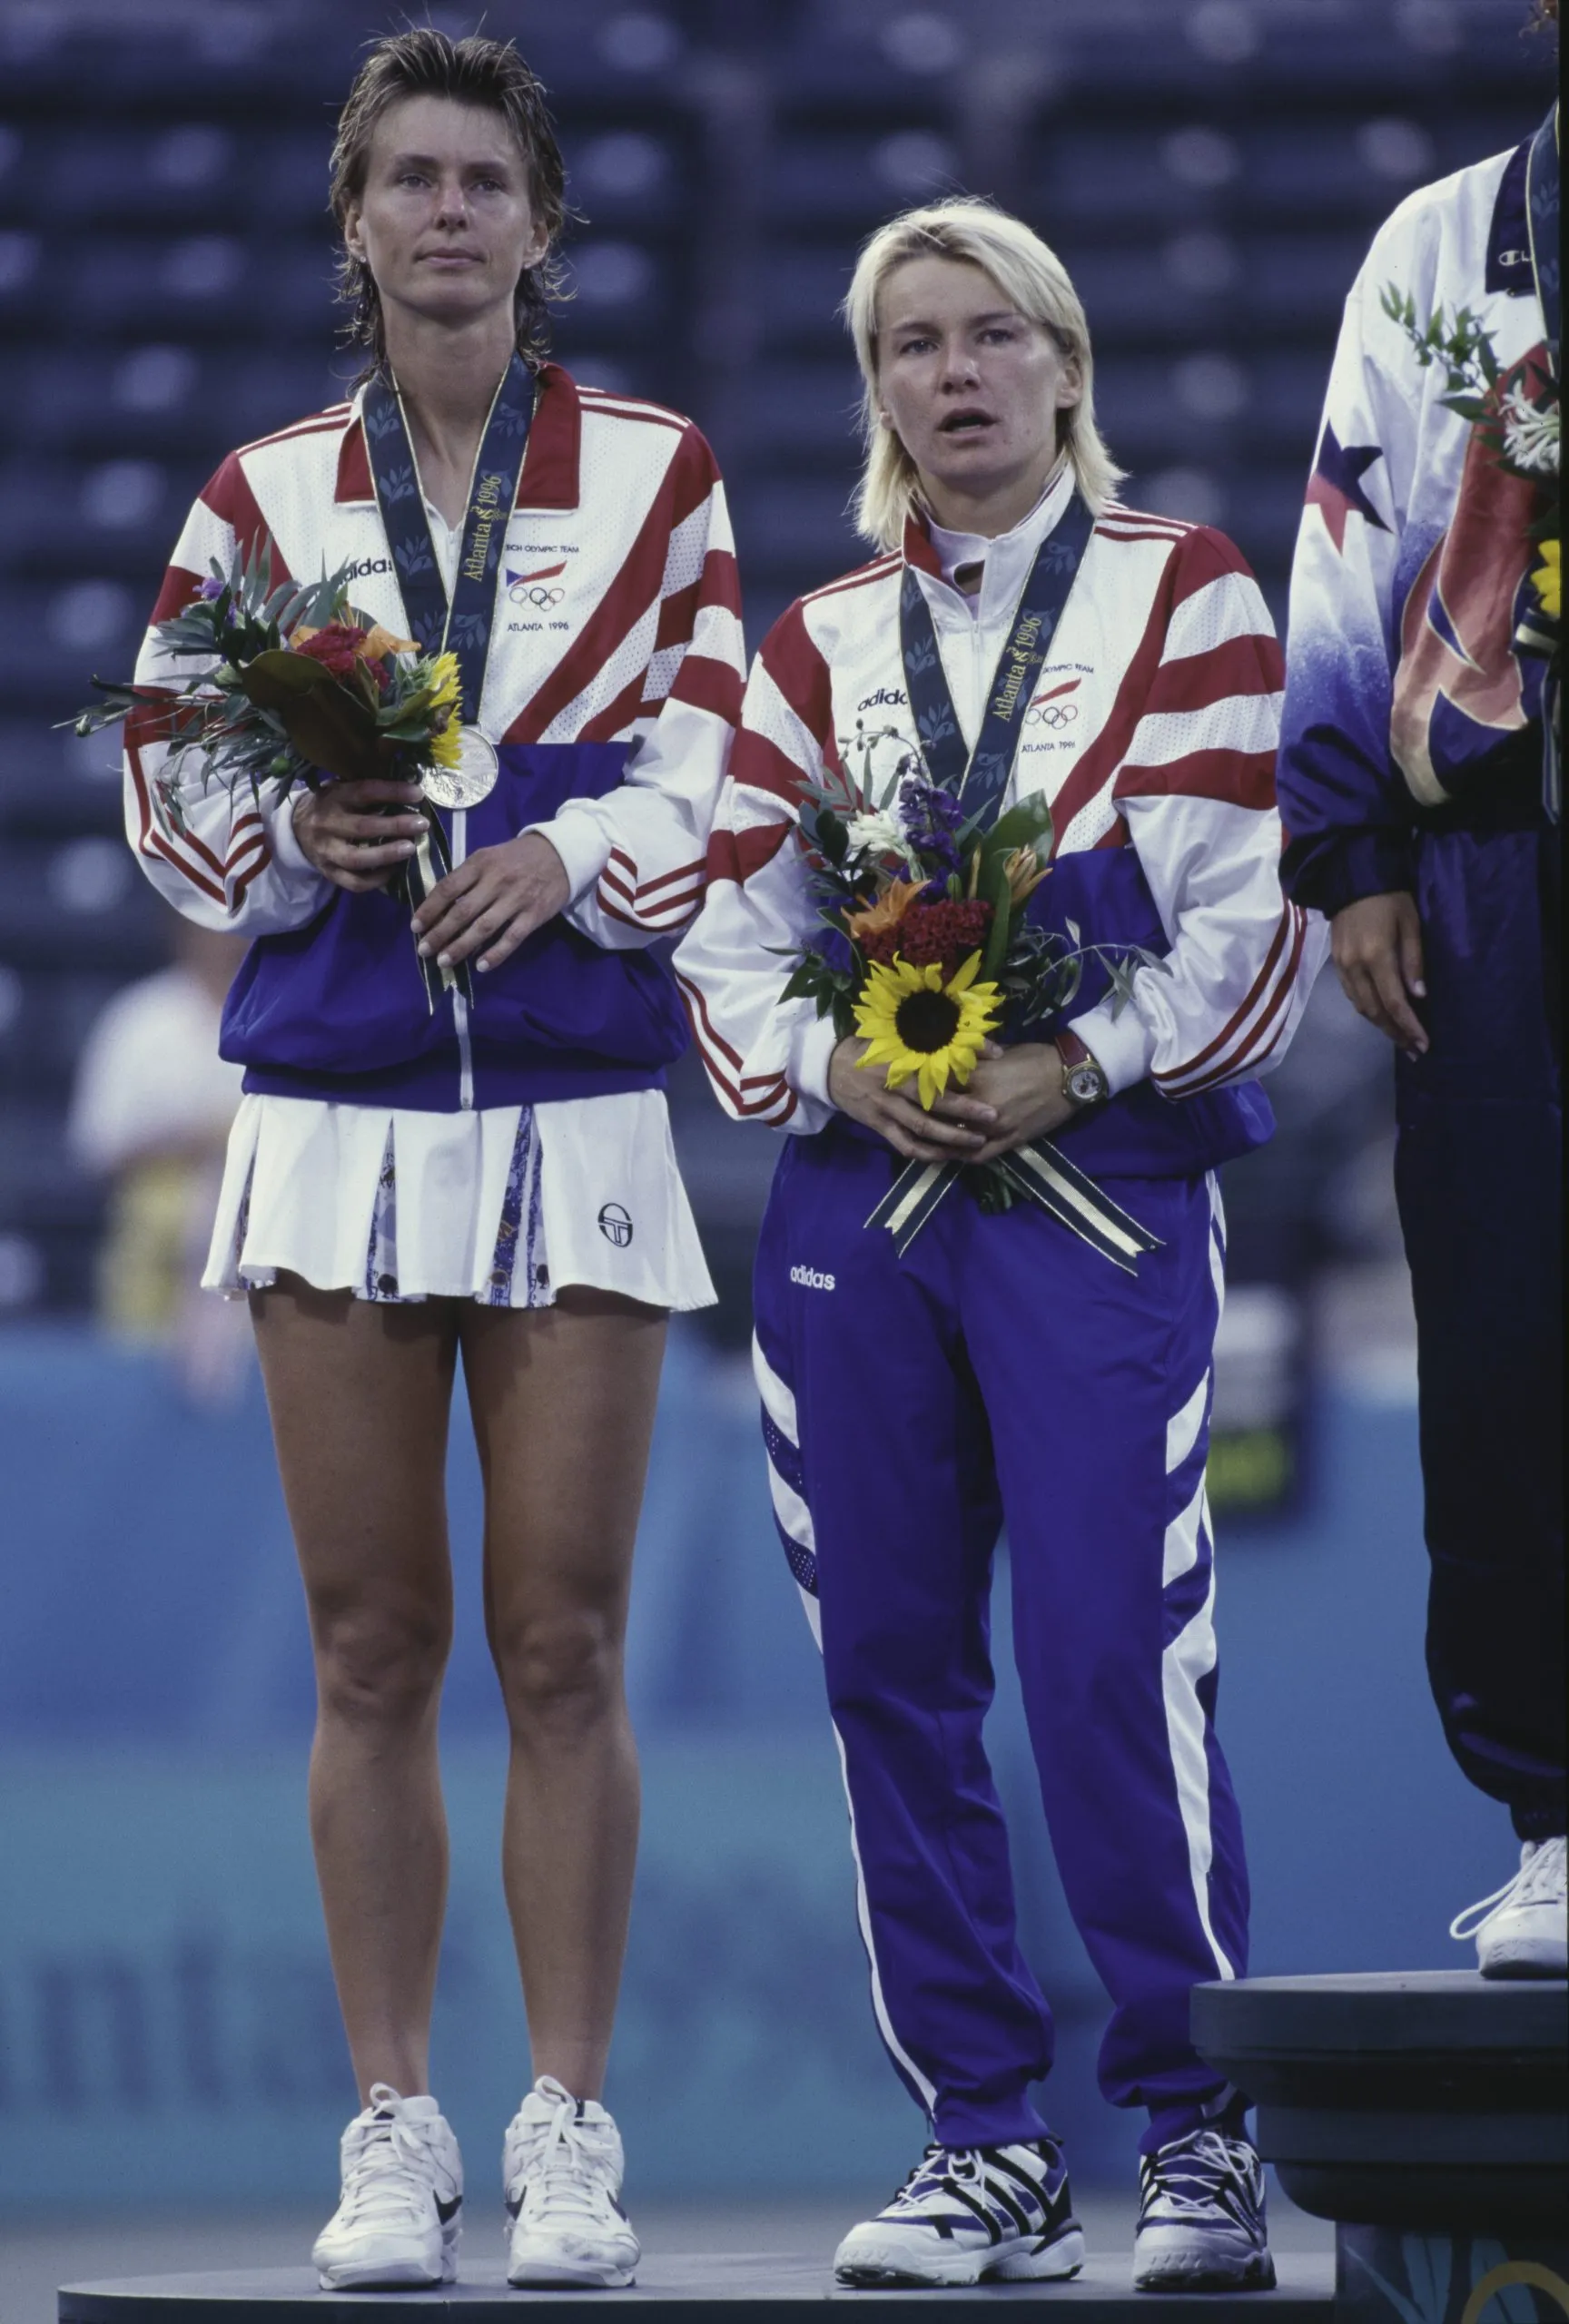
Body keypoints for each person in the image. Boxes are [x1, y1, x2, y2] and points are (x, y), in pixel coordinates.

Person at [120, 29, 742, 2292]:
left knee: (559, 1637)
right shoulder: (259, 494)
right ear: (353, 220)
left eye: (489, 177)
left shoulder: (659, 472)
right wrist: (303, 826)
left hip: (569, 1108)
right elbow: (166, 789)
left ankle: (564, 2123)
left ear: (544, 223)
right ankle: (392, 2122)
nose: (453, 211)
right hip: (336, 1117)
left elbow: (715, 760)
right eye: (412, 177)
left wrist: (567, 853)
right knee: (370, 1640)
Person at [675, 199, 1323, 2293]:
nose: (946, 376)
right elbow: (722, 927)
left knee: (1103, 1658)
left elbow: (1256, 921)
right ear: (872, 392)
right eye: (904, 347)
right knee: (887, 1667)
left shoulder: (1187, 596)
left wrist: (1080, 1056)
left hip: (1093, 1191)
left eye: (984, 336)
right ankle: (978, 2135)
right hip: (859, 1203)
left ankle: (1192, 2123)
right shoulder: (817, 642)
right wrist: (826, 1066)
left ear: (1061, 363)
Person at [1276, 54, 1564, 1978]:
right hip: (1500, 871)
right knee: (1512, 1328)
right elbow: (1344, 544)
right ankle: (1558, 1810)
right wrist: (1351, 844)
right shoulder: (1444, 243)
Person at [68, 915, 251, 1404]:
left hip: (259, 1232)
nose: (224, 940)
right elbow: (97, 1144)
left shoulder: (279, 1013)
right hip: (156, 1233)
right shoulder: (140, 1018)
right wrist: (193, 1138)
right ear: (184, 932)